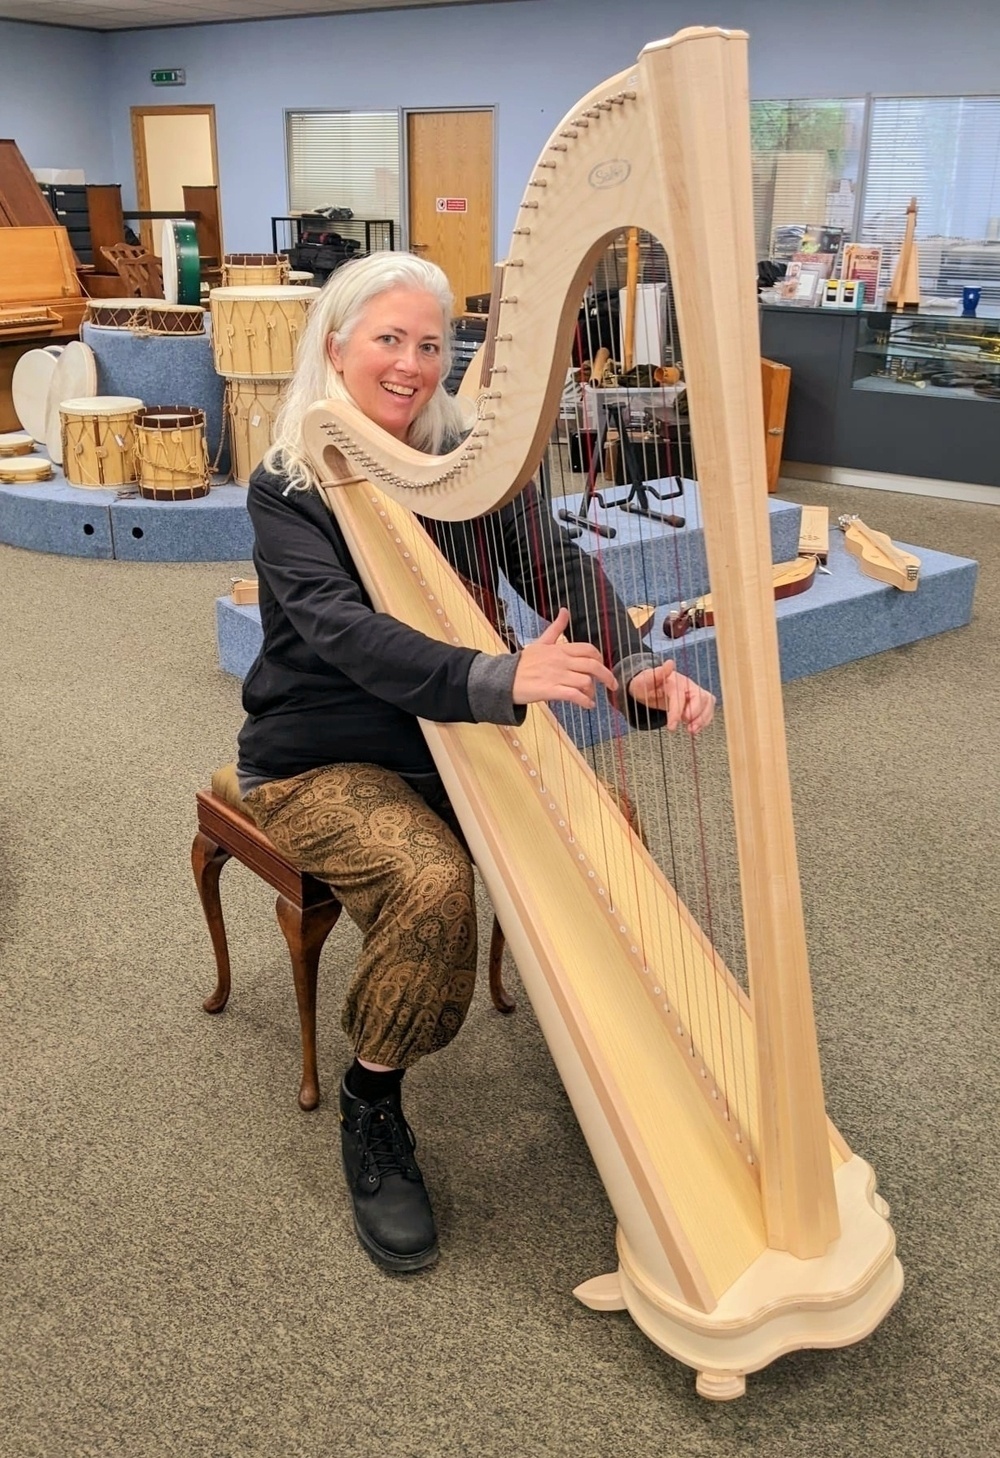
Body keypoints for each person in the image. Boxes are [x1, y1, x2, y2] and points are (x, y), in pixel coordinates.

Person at [235, 251, 715, 1275]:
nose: (411, 364)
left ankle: (642, 1080)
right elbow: (342, 632)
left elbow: (553, 568)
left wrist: (635, 668)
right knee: (434, 882)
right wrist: (500, 680)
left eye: (428, 342)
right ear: (335, 347)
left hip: (451, 740)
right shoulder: (286, 486)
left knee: (611, 842)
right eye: (387, 340)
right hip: (316, 757)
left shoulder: (459, 463)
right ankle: (372, 1105)